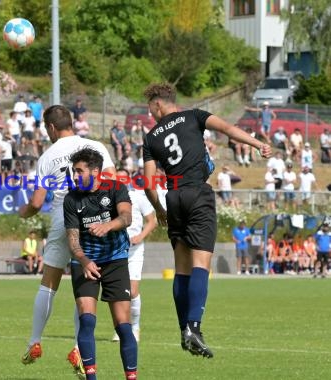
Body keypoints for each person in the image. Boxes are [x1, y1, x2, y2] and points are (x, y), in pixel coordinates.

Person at [142, 83, 271, 358]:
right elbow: (227, 129)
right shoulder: (193, 116)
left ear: (158, 104)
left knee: (181, 268)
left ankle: (182, 330)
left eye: (149, 108)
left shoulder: (151, 137)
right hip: (198, 193)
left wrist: (159, 208)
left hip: (174, 196)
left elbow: (149, 184)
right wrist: (258, 143)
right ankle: (195, 329)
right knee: (201, 264)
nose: (150, 113)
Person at [18, 105, 115, 378]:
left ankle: (35, 341)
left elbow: (37, 203)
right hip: (94, 215)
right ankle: (77, 348)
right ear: (71, 123)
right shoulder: (95, 145)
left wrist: (23, 212)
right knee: (84, 285)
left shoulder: (48, 155)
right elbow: (112, 179)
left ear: (50, 127)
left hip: (63, 214)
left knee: (49, 282)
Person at [63, 147, 135, 380]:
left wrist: (107, 226)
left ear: (95, 171)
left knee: (123, 326)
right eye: (74, 171)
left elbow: (126, 217)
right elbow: (72, 238)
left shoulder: (116, 188)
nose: (75, 176)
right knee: (86, 319)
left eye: (79, 171)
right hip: (85, 261)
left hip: (115, 259)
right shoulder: (71, 199)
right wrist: (83, 260)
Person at [112, 168, 157, 343]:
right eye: (118, 179)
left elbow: (152, 221)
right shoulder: (109, 199)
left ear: (129, 180)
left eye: (124, 178)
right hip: (116, 250)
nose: (121, 181)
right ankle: (121, 329)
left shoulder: (138, 197)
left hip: (135, 250)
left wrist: (140, 236)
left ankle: (135, 327)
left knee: (132, 291)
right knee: (117, 293)